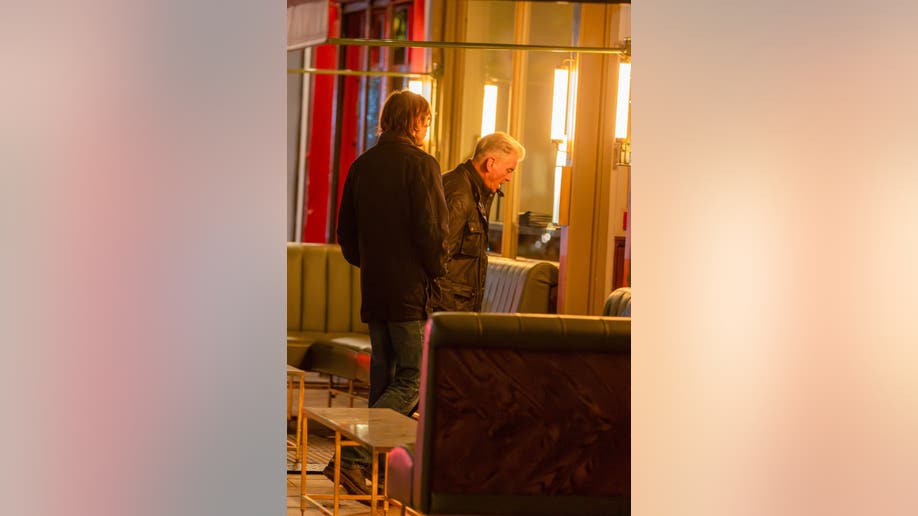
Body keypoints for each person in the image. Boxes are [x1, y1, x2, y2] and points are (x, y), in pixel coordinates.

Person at [328, 90, 449, 497]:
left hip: (375, 288)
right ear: (414, 122)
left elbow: (345, 232)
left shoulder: (362, 165)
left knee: (384, 377)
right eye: (426, 122)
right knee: (414, 378)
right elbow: (432, 230)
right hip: (409, 291)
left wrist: (373, 265)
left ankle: (369, 471)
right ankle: (349, 457)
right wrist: (438, 272)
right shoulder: (422, 165)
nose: (426, 130)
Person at [432, 132, 525, 312]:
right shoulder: (460, 195)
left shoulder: (468, 188)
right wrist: (450, 319)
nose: (509, 178)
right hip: (449, 312)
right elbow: (438, 260)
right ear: (490, 164)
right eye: (509, 170)